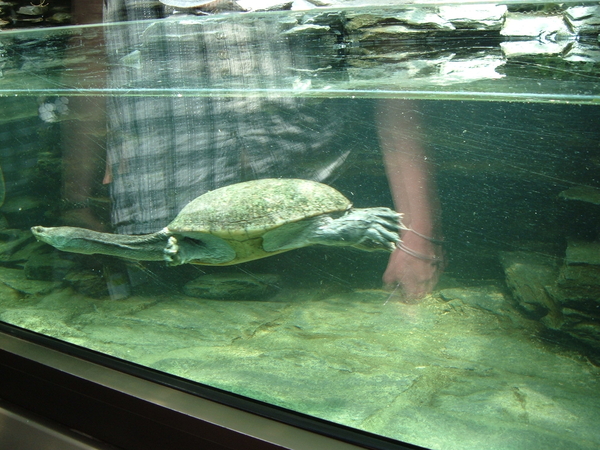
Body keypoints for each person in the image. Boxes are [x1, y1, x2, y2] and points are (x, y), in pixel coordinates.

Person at [62, 0, 443, 299]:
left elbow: (391, 63)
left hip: (316, 226)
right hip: (160, 221)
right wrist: (75, 200)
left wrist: (418, 235)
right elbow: (90, 61)